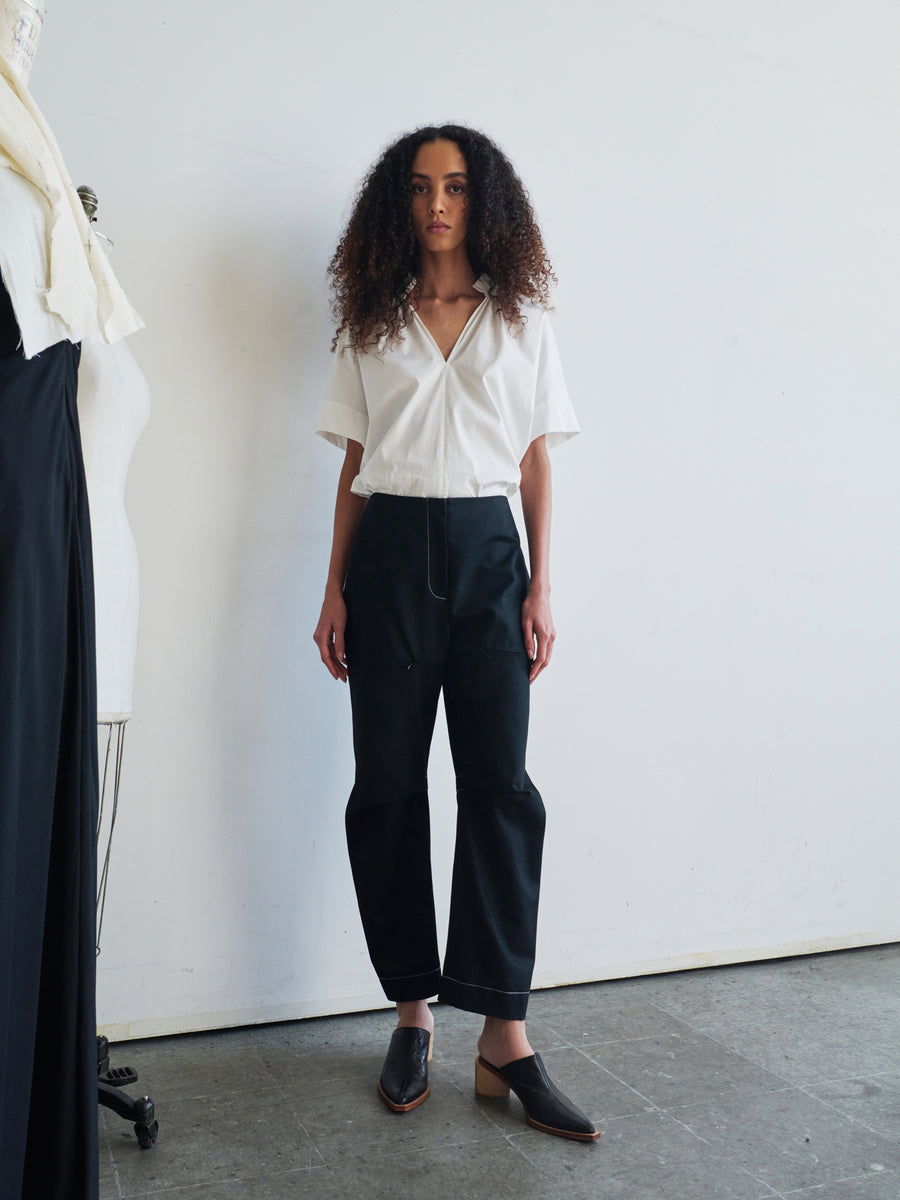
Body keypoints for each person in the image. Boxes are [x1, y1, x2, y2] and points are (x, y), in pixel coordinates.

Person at [313, 124, 598, 1143]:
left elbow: (535, 464)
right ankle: (412, 1013)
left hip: (488, 560)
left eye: (459, 186)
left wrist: (541, 587)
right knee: (387, 786)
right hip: (388, 559)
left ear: (487, 203)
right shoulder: (372, 319)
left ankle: (504, 1037)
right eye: (424, 187)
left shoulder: (522, 320)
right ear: (401, 201)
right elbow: (352, 462)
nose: (440, 203)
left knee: (501, 788)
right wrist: (334, 588)